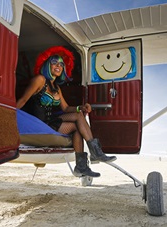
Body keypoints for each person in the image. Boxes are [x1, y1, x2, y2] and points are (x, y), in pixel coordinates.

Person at [16, 46, 116, 178]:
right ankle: (94, 154)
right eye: (55, 62)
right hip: (38, 124)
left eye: (61, 64)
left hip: (50, 122)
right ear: (47, 64)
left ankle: (82, 165)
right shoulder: (39, 80)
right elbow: (23, 100)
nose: (59, 66)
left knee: (77, 125)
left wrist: (81, 107)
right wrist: (9, 114)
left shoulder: (57, 88)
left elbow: (65, 108)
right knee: (78, 121)